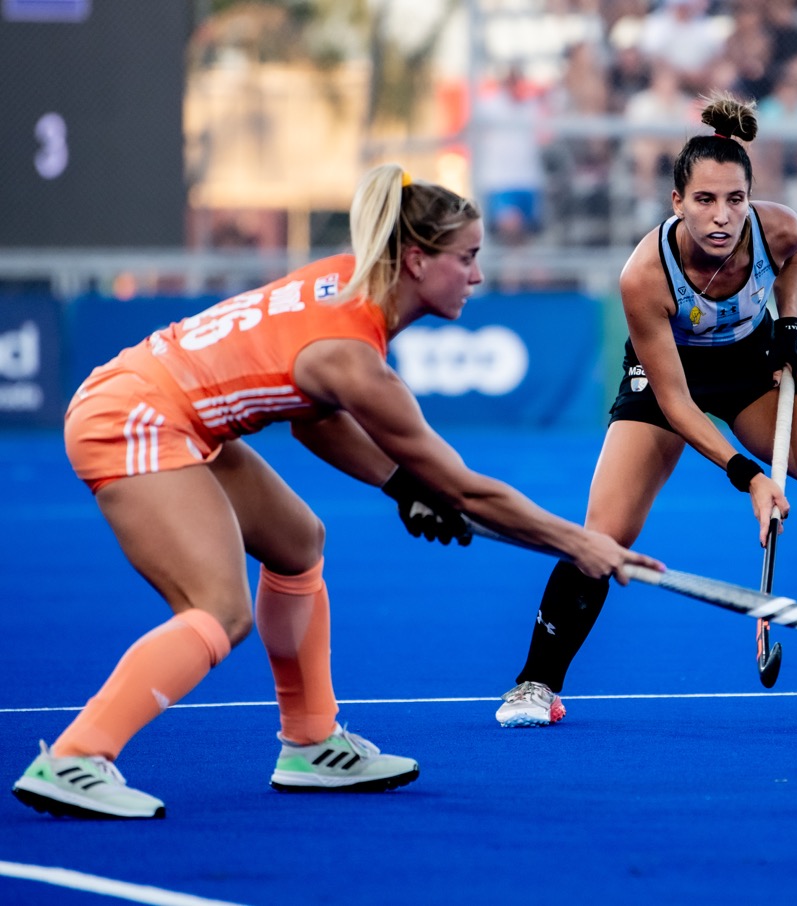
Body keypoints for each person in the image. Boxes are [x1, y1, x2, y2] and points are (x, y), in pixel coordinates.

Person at [11, 164, 662, 820]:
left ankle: (311, 743)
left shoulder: (346, 284)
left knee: (297, 543)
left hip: (165, 405)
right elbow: (466, 491)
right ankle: (75, 757)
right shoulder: (353, 356)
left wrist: (402, 485)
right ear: (415, 261)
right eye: (467, 258)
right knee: (217, 607)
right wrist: (583, 545)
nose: (478, 276)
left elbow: (310, 416)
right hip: (136, 417)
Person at [495, 95, 797, 730]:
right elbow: (676, 402)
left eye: (735, 199)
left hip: (751, 369)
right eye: (704, 200)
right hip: (666, 379)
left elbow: (794, 256)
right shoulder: (643, 276)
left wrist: (789, 323)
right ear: (676, 202)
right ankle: (538, 680)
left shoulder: (778, 228)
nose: (723, 217)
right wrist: (750, 476)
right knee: (607, 530)